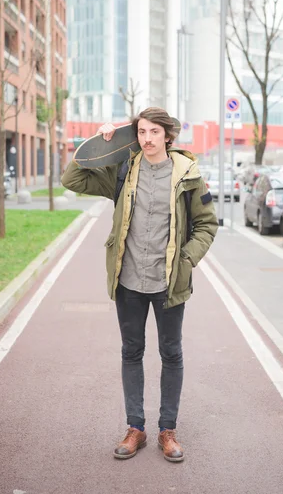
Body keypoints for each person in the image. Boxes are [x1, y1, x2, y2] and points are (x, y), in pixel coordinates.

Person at [61, 107, 218, 462]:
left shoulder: (188, 176)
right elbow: (73, 180)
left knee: (171, 354)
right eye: (142, 132)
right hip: (129, 280)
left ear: (167, 136)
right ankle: (136, 428)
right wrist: (99, 147)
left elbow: (208, 225)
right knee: (131, 353)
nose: (147, 139)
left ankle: (167, 430)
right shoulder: (122, 171)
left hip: (168, 283)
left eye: (154, 132)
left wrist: (187, 259)